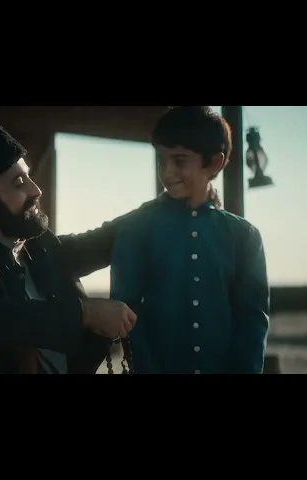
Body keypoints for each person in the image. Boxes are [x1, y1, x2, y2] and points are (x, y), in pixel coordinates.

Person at [0, 126, 138, 374]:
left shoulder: (38, 247)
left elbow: (100, 241)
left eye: (29, 177)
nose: (36, 190)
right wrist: (84, 313)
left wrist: (158, 208)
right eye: (19, 182)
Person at [110, 106, 270, 374]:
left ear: (214, 163)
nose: (167, 172)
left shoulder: (245, 236)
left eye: (180, 160)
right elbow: (128, 312)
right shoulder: (135, 229)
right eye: (161, 160)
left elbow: (252, 321)